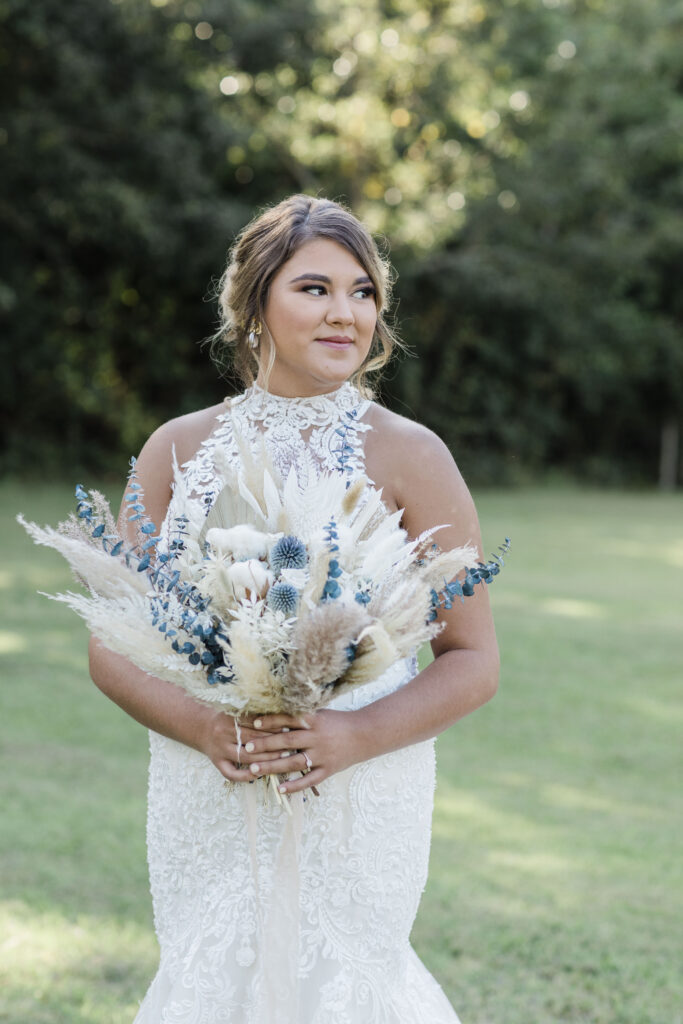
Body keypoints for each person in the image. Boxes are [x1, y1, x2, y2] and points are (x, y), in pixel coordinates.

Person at [88, 194, 499, 1023]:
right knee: (213, 972)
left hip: (354, 780)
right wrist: (202, 728)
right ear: (254, 305)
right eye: (314, 289)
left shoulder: (411, 454)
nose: (344, 313)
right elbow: (110, 644)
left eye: (363, 291)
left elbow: (473, 658)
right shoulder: (174, 447)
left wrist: (352, 736)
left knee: (342, 979)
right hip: (207, 775)